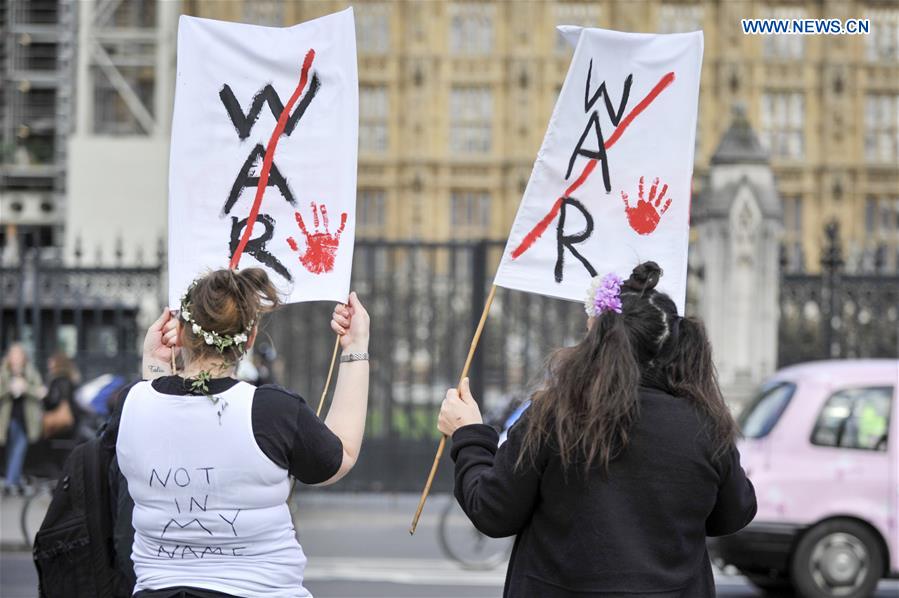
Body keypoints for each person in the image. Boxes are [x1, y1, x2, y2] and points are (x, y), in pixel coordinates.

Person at [439, 262, 757, 597]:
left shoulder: (556, 413)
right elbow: (735, 513)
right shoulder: (703, 423)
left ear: (598, 343)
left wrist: (469, 435)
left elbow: (493, 511)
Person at [113, 268, 369, 597]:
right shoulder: (272, 411)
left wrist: (154, 364)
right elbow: (340, 456)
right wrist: (355, 349)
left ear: (181, 331)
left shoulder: (131, 404)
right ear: (249, 339)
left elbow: (159, 417)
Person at [0, 343, 45, 495]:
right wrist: (9, 389)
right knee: (14, 449)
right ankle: (14, 480)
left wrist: (26, 388)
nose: (16, 358)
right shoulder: (4, 372)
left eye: (19, 355)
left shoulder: (31, 372)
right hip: (8, 418)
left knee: (19, 448)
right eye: (14, 355)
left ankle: (11, 481)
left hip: (28, 418)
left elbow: (39, 391)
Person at [43, 352, 81, 440]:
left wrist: (44, 396)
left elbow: (54, 400)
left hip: (60, 420)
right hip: (72, 420)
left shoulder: (57, 380)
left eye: (51, 362)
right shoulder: (71, 379)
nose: (49, 364)